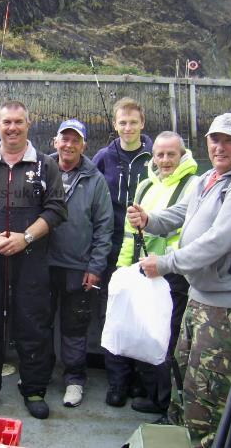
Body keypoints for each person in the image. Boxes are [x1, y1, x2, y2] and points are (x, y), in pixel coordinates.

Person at [127, 113, 231, 447]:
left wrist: (164, 264)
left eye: (230, 140)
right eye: (215, 140)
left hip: (227, 310)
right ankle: (179, 435)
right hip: (199, 298)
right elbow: (180, 215)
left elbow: (216, 242)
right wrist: (149, 219)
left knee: (206, 399)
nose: (220, 147)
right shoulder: (208, 179)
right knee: (184, 380)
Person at [0, 100, 67, 419]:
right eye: (6, 122)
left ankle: (33, 388)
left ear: (28, 124)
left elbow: (57, 209)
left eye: (18, 122)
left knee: (33, 323)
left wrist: (26, 237)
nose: (12, 128)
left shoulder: (46, 166)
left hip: (31, 256)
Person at [117, 131, 198, 419]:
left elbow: (186, 230)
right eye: (160, 155)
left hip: (174, 275)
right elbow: (131, 231)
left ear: (182, 155)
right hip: (144, 270)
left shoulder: (194, 186)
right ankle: (150, 391)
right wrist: (123, 265)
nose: (165, 160)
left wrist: (167, 263)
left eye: (171, 154)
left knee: (169, 338)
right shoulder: (144, 186)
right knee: (146, 332)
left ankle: (166, 401)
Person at [47, 119, 114, 408]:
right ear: (55, 142)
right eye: (65, 139)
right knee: (38, 323)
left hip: (79, 268)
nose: (69, 145)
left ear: (84, 145)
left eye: (75, 140)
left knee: (75, 328)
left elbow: (104, 226)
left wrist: (95, 267)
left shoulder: (95, 179)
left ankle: (74, 380)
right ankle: (38, 374)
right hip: (42, 265)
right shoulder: (41, 170)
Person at [92, 97, 153, 407]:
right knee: (112, 313)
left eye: (133, 122)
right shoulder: (104, 157)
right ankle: (117, 382)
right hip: (111, 246)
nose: (128, 128)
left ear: (142, 123)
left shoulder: (155, 157)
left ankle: (139, 381)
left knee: (142, 314)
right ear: (115, 125)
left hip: (147, 247)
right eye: (122, 122)